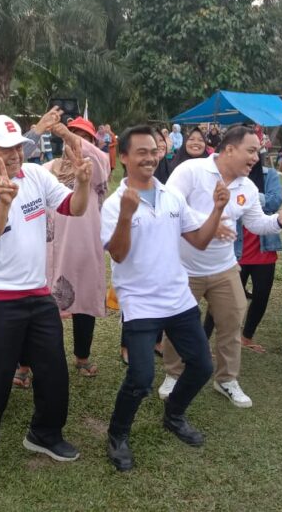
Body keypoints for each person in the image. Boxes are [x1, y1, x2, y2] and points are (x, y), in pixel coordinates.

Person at [0, 114, 92, 480]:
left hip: (36, 294)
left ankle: (44, 434)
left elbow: (74, 208)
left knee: (53, 372)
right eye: (5, 148)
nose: (15, 154)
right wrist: (2, 203)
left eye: (18, 146)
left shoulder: (34, 176)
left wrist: (81, 184)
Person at [102, 125, 229, 472]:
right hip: (140, 301)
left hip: (177, 297)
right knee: (141, 377)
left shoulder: (171, 196)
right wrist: (128, 215)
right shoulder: (115, 204)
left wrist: (217, 209)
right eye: (140, 152)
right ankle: (117, 434)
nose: (149, 157)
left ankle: (173, 415)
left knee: (202, 365)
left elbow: (199, 240)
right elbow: (117, 254)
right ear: (124, 157)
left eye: (154, 150)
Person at [161, 125, 282, 407]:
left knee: (231, 324)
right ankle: (174, 374)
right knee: (178, 324)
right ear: (229, 149)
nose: (256, 157)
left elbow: (255, 223)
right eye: (251, 150)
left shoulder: (248, 187)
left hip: (224, 268)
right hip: (184, 267)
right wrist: (208, 223)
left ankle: (226, 379)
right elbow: (171, 204)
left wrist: (279, 220)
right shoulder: (191, 171)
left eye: (258, 152)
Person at [43, 117, 111, 377]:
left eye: (83, 137)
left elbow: (101, 160)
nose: (74, 141)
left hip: (82, 247)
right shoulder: (49, 168)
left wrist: (68, 134)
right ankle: (48, 356)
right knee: (48, 307)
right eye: (70, 135)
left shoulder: (95, 170)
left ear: (92, 143)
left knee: (82, 302)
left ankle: (82, 356)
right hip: (51, 248)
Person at [205, 157, 282, 353]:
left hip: (264, 248)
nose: (251, 157)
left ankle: (247, 336)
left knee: (261, 295)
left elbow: (275, 201)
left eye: (254, 151)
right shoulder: (226, 178)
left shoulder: (268, 174)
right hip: (236, 249)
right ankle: (203, 339)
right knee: (222, 299)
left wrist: (249, 196)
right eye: (247, 151)